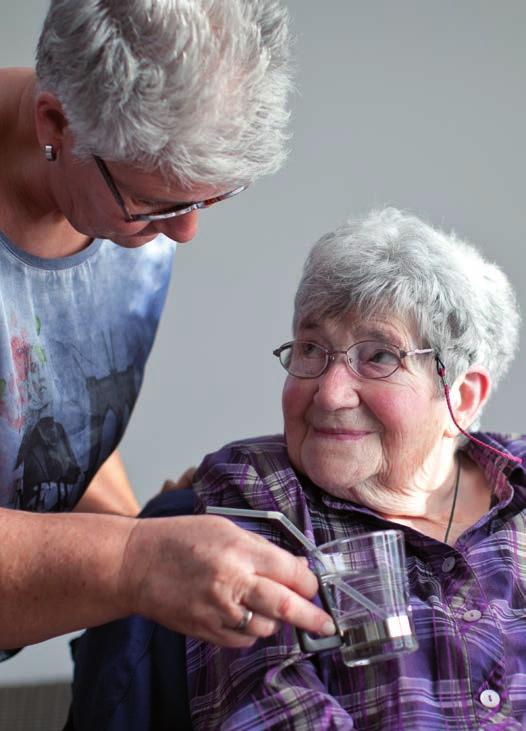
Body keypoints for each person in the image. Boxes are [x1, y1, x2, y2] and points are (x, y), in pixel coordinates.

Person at [71, 207, 525, 729]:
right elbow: (269, 712)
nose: (329, 394)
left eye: (378, 357)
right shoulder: (258, 493)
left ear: (460, 398)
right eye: (312, 349)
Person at [0, 0, 334, 665]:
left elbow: (39, 411)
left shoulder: (122, 196)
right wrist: (133, 560)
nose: (185, 232)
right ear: (57, 125)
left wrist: (149, 527)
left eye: (206, 200)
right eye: (160, 204)